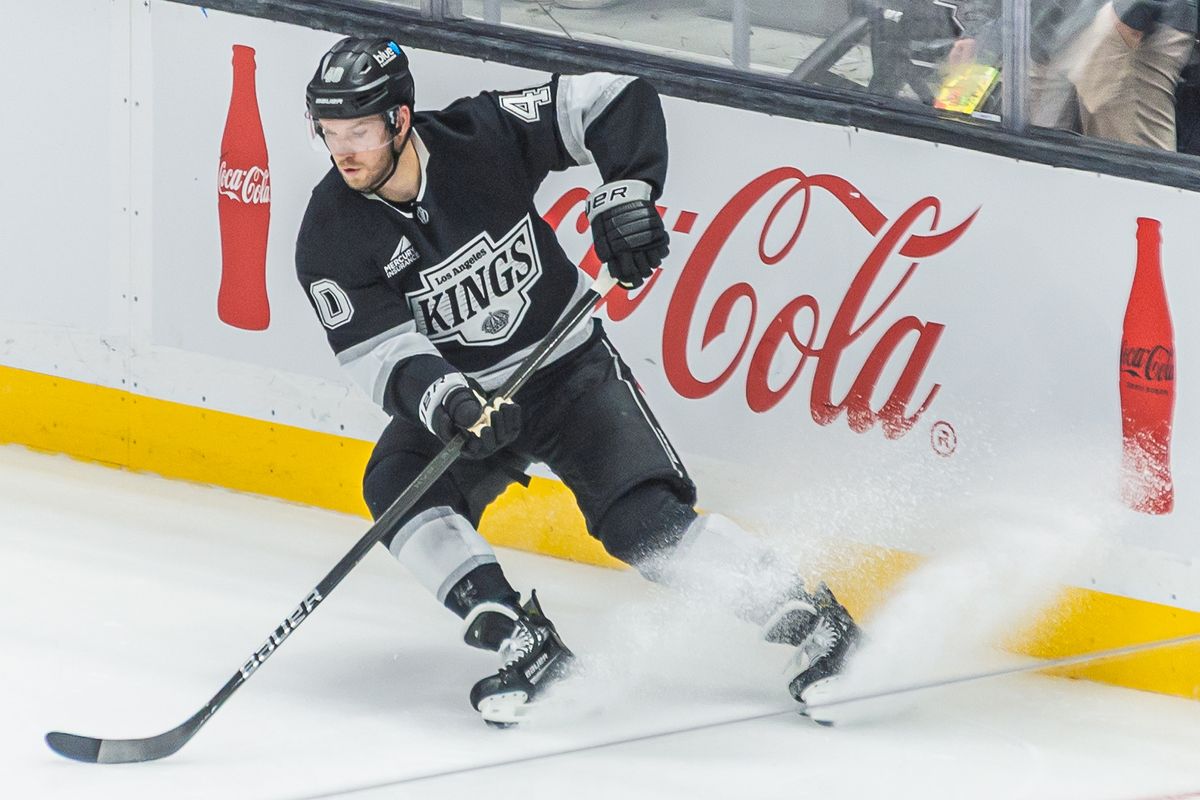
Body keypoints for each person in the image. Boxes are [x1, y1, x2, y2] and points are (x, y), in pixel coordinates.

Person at [295, 36, 859, 726]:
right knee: (394, 487)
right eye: (329, 133)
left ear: (400, 120)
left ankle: (816, 621)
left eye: (358, 130)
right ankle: (523, 642)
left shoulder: (481, 134)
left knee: (642, 524)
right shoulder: (328, 232)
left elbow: (613, 98)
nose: (343, 150)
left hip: (567, 369)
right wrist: (448, 402)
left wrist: (627, 191)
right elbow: (379, 349)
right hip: (471, 402)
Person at [951, 0, 1196, 150]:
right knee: (1031, 159)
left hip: (1130, 20)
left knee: (1129, 168)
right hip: (1044, 22)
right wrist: (981, 31)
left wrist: (1134, 11)